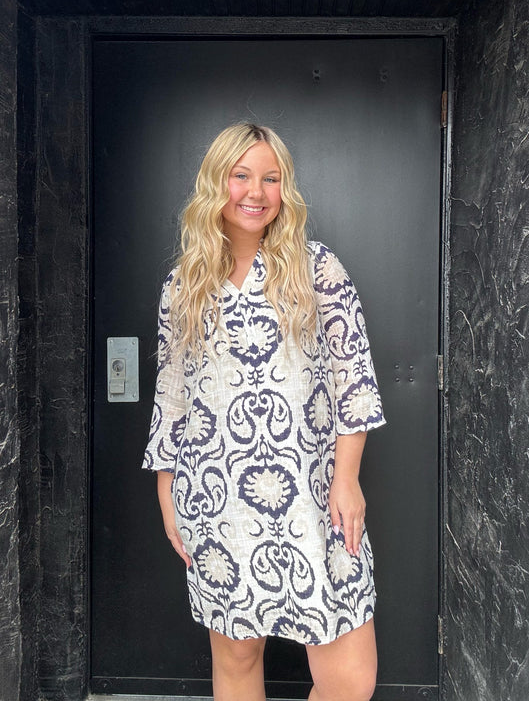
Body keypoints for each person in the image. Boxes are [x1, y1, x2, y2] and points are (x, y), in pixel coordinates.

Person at [142, 123, 386, 701]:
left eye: (271, 178)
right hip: (215, 494)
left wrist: (347, 479)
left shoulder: (317, 269)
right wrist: (166, 490)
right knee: (237, 655)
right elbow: (171, 397)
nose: (256, 191)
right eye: (242, 175)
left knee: (350, 681)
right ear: (216, 185)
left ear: (285, 190)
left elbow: (354, 381)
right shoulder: (184, 284)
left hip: (314, 494)